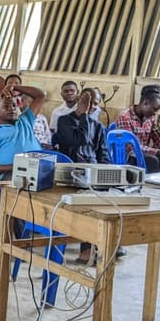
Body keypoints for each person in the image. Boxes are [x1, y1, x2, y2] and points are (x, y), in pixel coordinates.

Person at [55, 88, 111, 263]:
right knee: (88, 197)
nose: (91, 107)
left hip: (91, 173)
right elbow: (80, 140)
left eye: (95, 104)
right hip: (69, 173)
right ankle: (86, 249)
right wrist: (84, 115)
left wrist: (107, 174)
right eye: (88, 102)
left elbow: (103, 154)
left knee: (109, 194)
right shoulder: (64, 121)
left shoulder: (99, 127)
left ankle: (104, 242)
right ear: (79, 100)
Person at [0, 83, 46, 181]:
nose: (12, 109)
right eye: (6, 106)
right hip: (12, 174)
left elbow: (40, 95)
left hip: (38, 170)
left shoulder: (25, 121)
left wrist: (14, 87)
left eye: (14, 105)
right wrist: (16, 166)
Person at [114, 84, 160, 173]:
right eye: (154, 109)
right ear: (145, 103)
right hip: (129, 156)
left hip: (144, 153)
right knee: (152, 160)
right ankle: (152, 185)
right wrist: (157, 152)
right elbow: (130, 146)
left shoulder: (149, 118)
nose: (155, 113)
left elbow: (158, 137)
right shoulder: (125, 117)